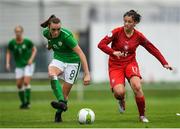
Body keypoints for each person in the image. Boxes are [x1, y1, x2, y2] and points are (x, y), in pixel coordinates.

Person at [98, 10, 172, 123]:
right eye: (125, 21)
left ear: (135, 23)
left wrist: (164, 62)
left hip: (130, 63)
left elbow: (152, 48)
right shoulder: (116, 32)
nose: (126, 24)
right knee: (119, 93)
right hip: (115, 65)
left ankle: (142, 116)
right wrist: (113, 52)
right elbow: (101, 44)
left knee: (137, 86)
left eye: (129, 22)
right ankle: (121, 100)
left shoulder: (138, 36)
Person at [41, 15, 91, 123]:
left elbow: (81, 54)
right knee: (51, 73)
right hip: (58, 58)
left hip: (73, 62)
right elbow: (50, 40)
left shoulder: (66, 36)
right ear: (48, 27)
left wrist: (87, 73)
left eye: (58, 29)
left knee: (65, 95)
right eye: (53, 29)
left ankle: (58, 114)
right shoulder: (45, 33)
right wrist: (49, 45)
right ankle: (61, 102)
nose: (56, 32)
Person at [6, 25, 37, 109]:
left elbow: (34, 49)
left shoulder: (27, 42)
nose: (18, 33)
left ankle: (28, 102)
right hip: (19, 66)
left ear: (22, 32)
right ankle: (23, 103)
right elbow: (8, 52)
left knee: (26, 82)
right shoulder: (12, 43)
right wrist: (7, 63)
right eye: (16, 31)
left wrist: (31, 59)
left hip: (28, 64)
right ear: (15, 33)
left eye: (19, 31)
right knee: (19, 85)